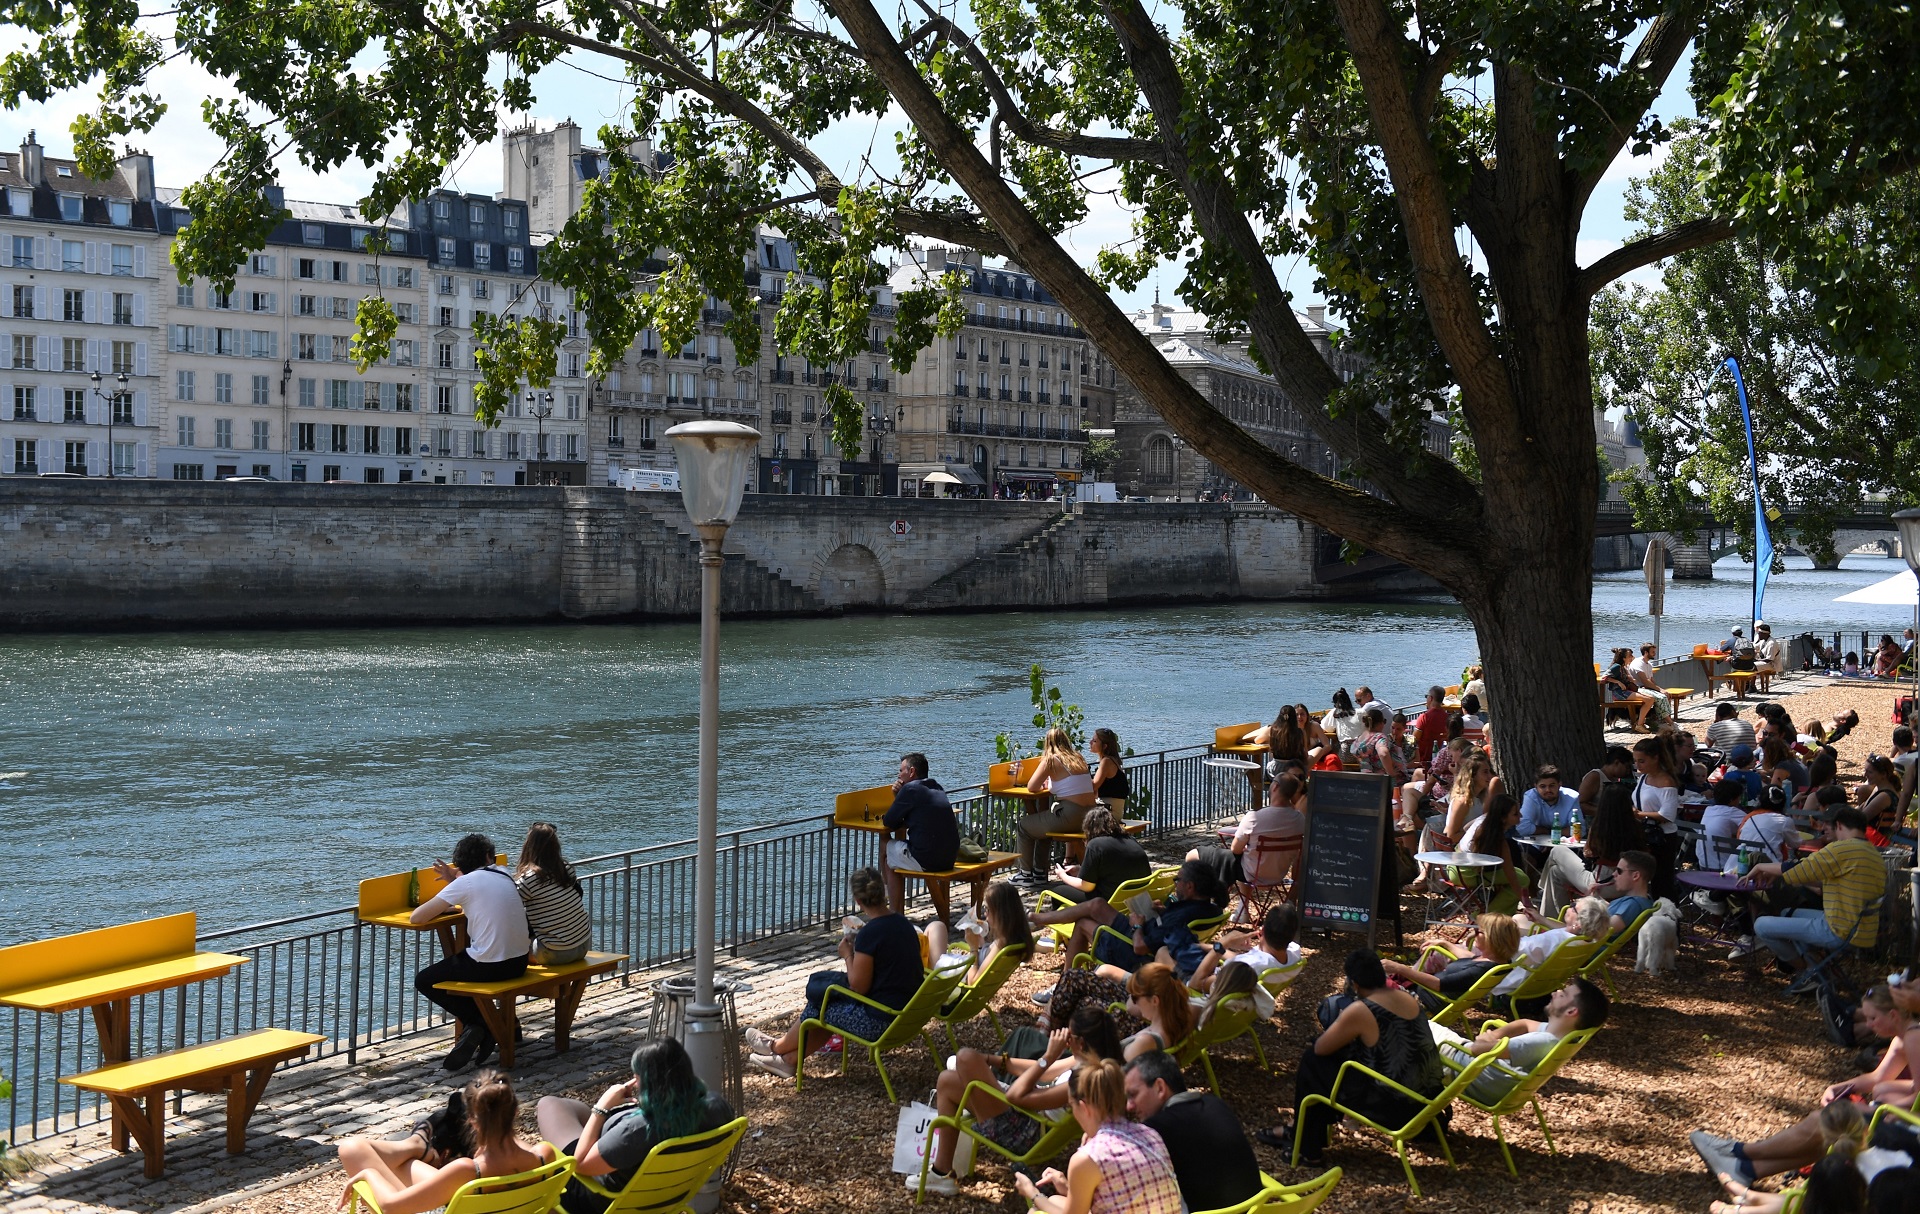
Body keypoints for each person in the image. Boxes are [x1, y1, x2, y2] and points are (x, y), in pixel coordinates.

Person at [1692, 984, 1919, 1183]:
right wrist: (1841, 1087)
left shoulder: (1914, 1038)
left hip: (1910, 1134)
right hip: (1902, 1121)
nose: (1868, 1025)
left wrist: (1877, 1109)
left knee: (1826, 1119)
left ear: (1893, 1015)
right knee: (1829, 1127)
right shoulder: (1903, 1036)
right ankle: (1744, 1169)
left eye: (1873, 1018)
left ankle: (1739, 1151)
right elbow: (1878, 1077)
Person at [911, 1003, 1127, 1196]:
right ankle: (942, 1174)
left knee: (965, 1057)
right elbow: (1042, 1074)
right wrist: (991, 1060)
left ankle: (971, 1098)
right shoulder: (1092, 1064)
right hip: (1025, 1117)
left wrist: (1049, 1056)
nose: (1065, 1040)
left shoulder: (1083, 1081)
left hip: (1024, 1133)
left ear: (1079, 1042)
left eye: (1068, 1036)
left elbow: (1017, 1096)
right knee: (947, 1081)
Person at [1260, 949, 1444, 1166]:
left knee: (1313, 1062)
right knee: (1333, 1066)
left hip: (1396, 1108)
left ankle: (1307, 1149)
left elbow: (1321, 1048)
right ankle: (1297, 1131)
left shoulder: (1362, 1009)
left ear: (1354, 983)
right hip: (1426, 1102)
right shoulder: (1409, 998)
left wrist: (1339, 1025)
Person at [746, 867, 921, 1078]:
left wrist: (848, 954)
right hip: (908, 1014)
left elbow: (858, 986)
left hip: (881, 1022)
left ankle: (777, 1049)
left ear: (858, 900)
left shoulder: (870, 933)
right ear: (882, 893)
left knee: (821, 1005)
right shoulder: (902, 923)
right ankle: (788, 1059)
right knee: (830, 1004)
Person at [541, 1039, 734, 1214]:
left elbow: (580, 1165)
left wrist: (602, 1107)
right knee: (574, 1110)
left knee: (548, 1104)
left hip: (599, 1199)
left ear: (645, 1081)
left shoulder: (637, 1130)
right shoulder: (718, 1107)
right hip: (665, 1195)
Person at [337, 1071, 553, 1214]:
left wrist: (369, 1175)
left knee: (351, 1150)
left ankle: (416, 1145)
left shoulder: (469, 1171)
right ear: (515, 1112)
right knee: (407, 1164)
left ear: (472, 1121)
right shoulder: (544, 1156)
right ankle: (416, 1146)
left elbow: (390, 1207)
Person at [412, 833, 531, 1070]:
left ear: (460, 864)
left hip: (489, 966)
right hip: (519, 962)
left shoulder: (464, 883)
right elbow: (477, 887)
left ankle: (479, 1023)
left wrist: (452, 884)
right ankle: (484, 1025)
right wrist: (454, 880)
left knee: (424, 980)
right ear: (489, 857)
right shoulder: (504, 872)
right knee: (461, 965)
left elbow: (417, 918)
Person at [1011, 1058, 1183, 1214]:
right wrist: (1067, 1187)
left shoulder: (1088, 1157)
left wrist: (1032, 1193)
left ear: (1083, 1107)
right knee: (1055, 1200)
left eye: (1072, 1107)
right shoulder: (1150, 1134)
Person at [1743, 805, 1884, 978]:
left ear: (1839, 825)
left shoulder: (1842, 849)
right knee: (1788, 912)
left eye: (1826, 825)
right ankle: (1814, 964)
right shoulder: (1872, 852)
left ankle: (1809, 970)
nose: (1823, 829)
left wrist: (1761, 866)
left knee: (1761, 925)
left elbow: (1802, 867)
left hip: (1839, 929)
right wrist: (1779, 874)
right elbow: (1821, 879)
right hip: (1861, 929)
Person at [1123, 1050, 1263, 1212]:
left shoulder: (1155, 1131)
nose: (1129, 1106)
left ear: (1160, 1088)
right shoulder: (1216, 1104)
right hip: (1257, 1208)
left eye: (1133, 1095)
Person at [1430, 977, 1609, 1103]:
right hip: (1469, 1068)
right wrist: (1496, 1036)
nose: (1556, 992)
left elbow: (1476, 1049)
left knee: (1408, 1023)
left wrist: (1485, 1039)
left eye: (1563, 995)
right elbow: (1525, 1023)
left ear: (1571, 1012)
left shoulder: (1540, 1042)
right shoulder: (1556, 1038)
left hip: (1454, 1064)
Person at [1033, 807, 1153, 962]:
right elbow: (1113, 869)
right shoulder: (1131, 841)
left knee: (1058, 892)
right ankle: (1065, 937)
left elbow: (1086, 886)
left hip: (1106, 905)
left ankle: (1061, 938)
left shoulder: (1096, 844)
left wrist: (1062, 875)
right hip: (1131, 904)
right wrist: (1081, 870)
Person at [1382, 912, 1520, 1017]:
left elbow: (1438, 984)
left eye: (1479, 931)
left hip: (1421, 1002)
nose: (1474, 933)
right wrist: (1446, 944)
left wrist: (1400, 968)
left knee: (1367, 979)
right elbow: (1469, 959)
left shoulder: (1481, 969)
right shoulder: (1497, 962)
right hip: (1426, 995)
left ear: (1493, 938)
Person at [1536, 783, 1641, 919]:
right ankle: (1552, 920)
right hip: (1627, 881)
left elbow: (1588, 853)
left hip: (1600, 883)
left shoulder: (1600, 827)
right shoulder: (1636, 828)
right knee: (1555, 872)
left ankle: (1541, 889)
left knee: (1557, 850)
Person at [1015, 729, 1100, 884]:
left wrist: (1045, 784)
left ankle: (1026, 874)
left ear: (1048, 744)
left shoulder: (1051, 760)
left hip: (1071, 814)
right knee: (1043, 828)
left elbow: (1032, 787)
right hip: (1090, 815)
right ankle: (1040, 873)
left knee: (1024, 826)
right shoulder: (1078, 758)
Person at [881, 752, 960, 913]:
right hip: (949, 858)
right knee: (894, 857)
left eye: (901, 770)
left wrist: (898, 795)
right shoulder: (936, 786)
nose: (898, 775)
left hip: (928, 860)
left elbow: (889, 821)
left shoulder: (909, 789)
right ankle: (894, 908)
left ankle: (892, 911)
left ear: (911, 772)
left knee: (885, 844)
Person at [515, 822, 591, 967]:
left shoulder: (529, 880)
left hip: (554, 952)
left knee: (511, 951)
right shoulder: (565, 869)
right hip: (583, 946)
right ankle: (559, 990)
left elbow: (509, 906)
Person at [1189, 903, 1303, 994]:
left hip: (1198, 996)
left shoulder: (1244, 969)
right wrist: (1208, 947)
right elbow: (1246, 961)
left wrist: (1223, 943)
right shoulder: (1295, 954)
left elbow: (1196, 984)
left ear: (1261, 931)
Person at [1230, 773, 1306, 888]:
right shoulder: (1300, 820)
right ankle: (1242, 904)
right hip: (1278, 875)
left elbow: (1235, 849)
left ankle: (1216, 902)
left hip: (1251, 874)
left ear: (1275, 787)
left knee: (1214, 858)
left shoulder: (1254, 817)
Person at [1459, 792, 1529, 914]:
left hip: (1455, 865)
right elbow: (1510, 875)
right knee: (1522, 879)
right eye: (1515, 814)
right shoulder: (1498, 840)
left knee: (1519, 873)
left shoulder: (1485, 818)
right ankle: (1487, 915)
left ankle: (1497, 912)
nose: (1520, 815)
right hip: (1467, 873)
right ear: (1503, 818)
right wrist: (1527, 904)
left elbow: (1465, 828)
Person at [1630, 734, 1683, 893]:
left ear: (1655, 758)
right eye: (1636, 761)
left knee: (1661, 880)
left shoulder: (1666, 782)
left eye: (1642, 761)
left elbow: (1667, 815)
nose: (1638, 765)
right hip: (1644, 833)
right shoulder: (1643, 778)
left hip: (1662, 837)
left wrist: (1639, 814)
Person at [1517, 765, 1580, 838]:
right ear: (1536, 787)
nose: (1548, 790)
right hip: (1537, 843)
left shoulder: (1571, 797)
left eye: (1552, 785)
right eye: (1543, 786)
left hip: (1564, 843)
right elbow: (1522, 828)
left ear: (1559, 785)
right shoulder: (1531, 797)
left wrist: (1550, 832)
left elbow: (1579, 830)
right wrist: (1546, 831)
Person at [1576, 746, 1635, 817]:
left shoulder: (1615, 779)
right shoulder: (1595, 776)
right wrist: (1605, 812)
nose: (1628, 771)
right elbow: (1581, 804)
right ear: (1616, 763)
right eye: (1627, 767)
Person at [1089, 728, 1130, 817]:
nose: (1090, 742)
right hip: (1111, 811)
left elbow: (1093, 786)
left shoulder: (1106, 761)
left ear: (1104, 746)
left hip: (1109, 815)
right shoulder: (1113, 761)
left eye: (1094, 741)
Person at [1412, 687, 1450, 769]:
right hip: (1440, 760)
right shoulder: (1447, 718)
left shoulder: (1424, 717)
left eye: (1427, 696)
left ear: (1431, 698)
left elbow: (1414, 739)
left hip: (1423, 761)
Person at [1322, 689, 1364, 758]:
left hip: (1346, 754)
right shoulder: (1361, 712)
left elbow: (1326, 728)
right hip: (1362, 753)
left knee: (1335, 742)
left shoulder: (1335, 713)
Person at [1754, 624, 1785, 693]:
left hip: (1772, 665)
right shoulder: (1763, 641)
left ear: (1764, 634)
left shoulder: (1771, 643)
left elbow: (1769, 659)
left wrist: (1757, 660)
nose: (1758, 635)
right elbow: (1755, 647)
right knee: (1748, 664)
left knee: (1752, 666)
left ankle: (1749, 686)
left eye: (1759, 633)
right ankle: (1751, 685)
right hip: (1765, 662)